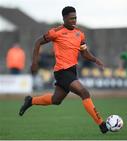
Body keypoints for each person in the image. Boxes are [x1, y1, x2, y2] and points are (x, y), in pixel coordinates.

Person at [19, 6, 108, 134]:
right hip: (62, 71)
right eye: (71, 18)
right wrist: (34, 63)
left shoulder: (80, 34)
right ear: (64, 18)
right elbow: (38, 42)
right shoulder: (56, 32)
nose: (74, 20)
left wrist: (95, 60)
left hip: (72, 71)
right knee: (84, 93)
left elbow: (84, 53)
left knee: (56, 100)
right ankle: (101, 124)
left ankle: (30, 101)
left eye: (75, 18)